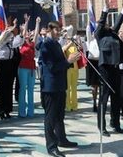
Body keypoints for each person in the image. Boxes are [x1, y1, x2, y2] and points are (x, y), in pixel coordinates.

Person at [39, 21, 80, 157]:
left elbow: (61, 64)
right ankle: (51, 147)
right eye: (57, 30)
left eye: (60, 30)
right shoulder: (46, 45)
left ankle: (61, 139)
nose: (59, 32)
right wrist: (68, 61)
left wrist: (70, 61)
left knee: (59, 116)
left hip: (60, 85)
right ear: (50, 30)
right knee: (50, 118)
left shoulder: (56, 44)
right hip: (50, 87)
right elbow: (51, 67)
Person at [95, 4, 123, 135]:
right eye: (104, 23)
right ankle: (101, 127)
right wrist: (105, 10)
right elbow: (101, 22)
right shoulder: (99, 34)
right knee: (104, 97)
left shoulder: (113, 34)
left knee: (116, 97)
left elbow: (118, 22)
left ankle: (115, 123)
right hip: (105, 69)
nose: (107, 24)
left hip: (116, 68)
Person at [0, 17, 18, 120]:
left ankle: (8, 109)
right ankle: (1, 110)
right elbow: (3, 39)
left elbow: (18, 41)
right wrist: (8, 30)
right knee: (2, 88)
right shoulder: (1, 40)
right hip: (2, 64)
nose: (10, 35)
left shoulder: (10, 41)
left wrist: (15, 28)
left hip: (10, 63)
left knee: (9, 87)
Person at [17, 15, 38, 118]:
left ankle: (30, 112)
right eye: (26, 33)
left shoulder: (33, 44)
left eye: (29, 33)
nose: (28, 34)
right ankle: (21, 112)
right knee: (22, 89)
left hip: (32, 69)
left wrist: (37, 23)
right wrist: (26, 22)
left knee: (30, 90)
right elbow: (24, 33)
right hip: (23, 68)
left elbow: (36, 34)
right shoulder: (22, 44)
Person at [62, 26, 81, 112]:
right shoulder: (63, 42)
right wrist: (70, 42)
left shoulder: (74, 43)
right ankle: (67, 105)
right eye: (66, 35)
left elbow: (79, 50)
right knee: (67, 88)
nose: (67, 36)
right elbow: (63, 50)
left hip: (75, 68)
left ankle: (74, 105)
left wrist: (77, 41)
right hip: (67, 68)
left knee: (74, 88)